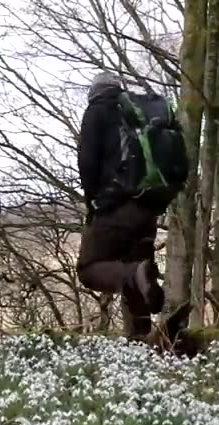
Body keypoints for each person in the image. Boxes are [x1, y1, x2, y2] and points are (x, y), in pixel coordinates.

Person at [75, 71, 165, 338]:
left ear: (95, 92)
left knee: (89, 269)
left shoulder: (98, 110)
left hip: (117, 205)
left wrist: (94, 199)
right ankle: (142, 341)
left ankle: (137, 275)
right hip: (149, 207)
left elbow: (88, 162)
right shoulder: (139, 114)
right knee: (135, 273)